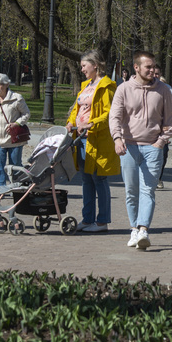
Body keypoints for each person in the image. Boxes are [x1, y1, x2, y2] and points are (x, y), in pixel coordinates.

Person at [109, 51, 172, 249]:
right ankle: (134, 229)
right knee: (131, 191)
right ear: (136, 68)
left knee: (148, 190)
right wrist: (117, 139)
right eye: (148, 67)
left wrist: (161, 142)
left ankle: (144, 229)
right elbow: (115, 117)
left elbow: (170, 120)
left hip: (153, 147)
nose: (152, 70)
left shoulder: (163, 90)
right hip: (129, 147)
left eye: (154, 66)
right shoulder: (124, 89)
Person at [66, 51, 119, 233]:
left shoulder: (106, 86)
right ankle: (87, 219)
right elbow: (77, 108)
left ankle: (102, 221)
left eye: (84, 66)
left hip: (96, 138)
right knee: (86, 179)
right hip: (80, 139)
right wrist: (70, 123)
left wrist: (91, 125)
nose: (81, 69)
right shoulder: (86, 85)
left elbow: (109, 114)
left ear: (95, 65)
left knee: (99, 179)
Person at [0, 74, 30, 199]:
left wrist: (16, 123)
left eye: (0, 84)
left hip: (13, 138)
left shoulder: (17, 98)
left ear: (6, 85)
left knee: (15, 165)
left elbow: (26, 114)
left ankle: (16, 188)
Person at [154, 64, 172, 190]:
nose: (155, 76)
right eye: (154, 73)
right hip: (150, 129)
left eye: (158, 74)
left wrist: (170, 127)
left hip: (164, 128)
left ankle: (158, 177)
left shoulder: (167, 89)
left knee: (163, 154)